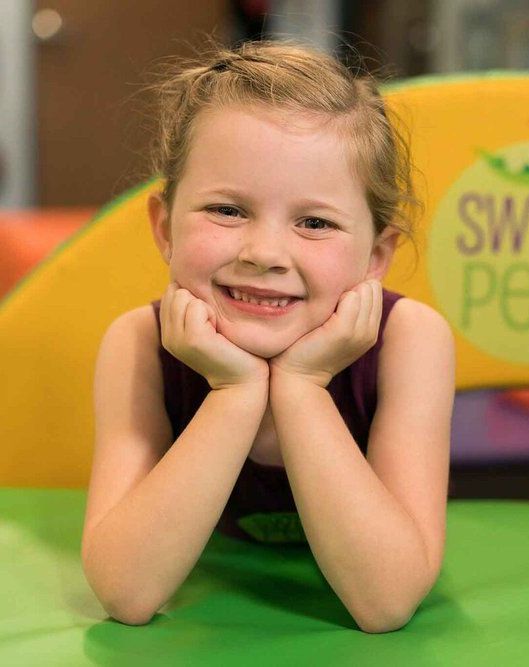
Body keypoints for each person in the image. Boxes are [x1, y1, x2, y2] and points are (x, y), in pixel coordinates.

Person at [81, 39, 455, 634]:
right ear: (165, 228)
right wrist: (234, 392)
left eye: (314, 222)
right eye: (227, 210)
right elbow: (126, 591)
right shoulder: (136, 344)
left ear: (376, 255)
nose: (264, 254)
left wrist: (303, 386)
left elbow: (385, 602)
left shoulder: (411, 339)